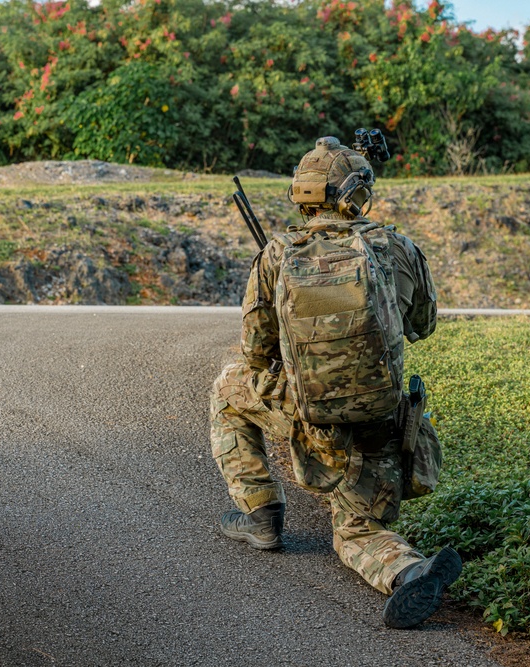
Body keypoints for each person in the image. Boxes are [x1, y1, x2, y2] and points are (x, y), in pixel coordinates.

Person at [210, 136, 461, 629]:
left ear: (302, 195)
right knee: (357, 531)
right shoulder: (397, 247)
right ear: (357, 194)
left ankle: (261, 512)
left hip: (310, 423)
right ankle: (409, 571)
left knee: (228, 387)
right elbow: (422, 326)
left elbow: (256, 355)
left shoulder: (278, 254)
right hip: (380, 426)